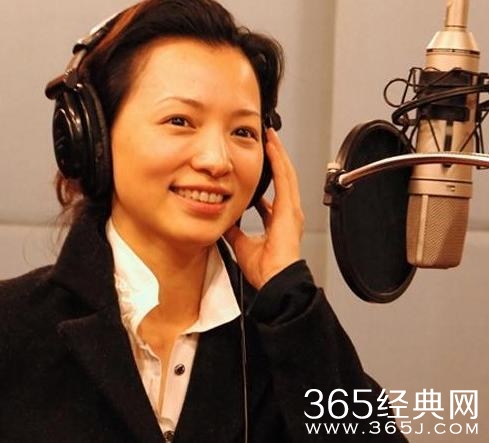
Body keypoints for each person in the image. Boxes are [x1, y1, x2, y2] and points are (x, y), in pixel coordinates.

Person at [0, 0, 408, 442]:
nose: (216, 160)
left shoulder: (290, 337)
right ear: (93, 137)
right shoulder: (12, 327)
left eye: (243, 132)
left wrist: (289, 296)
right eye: (180, 121)